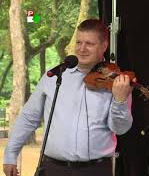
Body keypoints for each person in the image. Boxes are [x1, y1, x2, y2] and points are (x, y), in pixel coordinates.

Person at [3, 19, 134, 176]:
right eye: (79, 42)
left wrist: (120, 100)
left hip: (95, 170)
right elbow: (28, 118)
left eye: (89, 44)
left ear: (104, 46)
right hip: (53, 168)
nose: (82, 49)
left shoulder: (117, 81)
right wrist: (10, 154)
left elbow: (119, 129)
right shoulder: (53, 77)